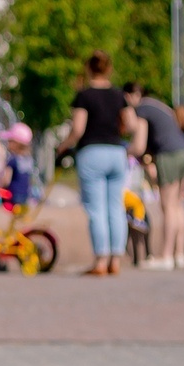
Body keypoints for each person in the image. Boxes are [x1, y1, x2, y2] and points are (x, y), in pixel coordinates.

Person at [59, 52, 137, 278]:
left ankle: (100, 261)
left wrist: (64, 146)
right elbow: (132, 124)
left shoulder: (84, 96)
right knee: (115, 206)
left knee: (96, 209)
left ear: (88, 68)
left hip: (92, 152)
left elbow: (78, 129)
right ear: (109, 69)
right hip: (116, 152)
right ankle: (116, 260)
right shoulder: (118, 95)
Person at [124, 82, 184, 269]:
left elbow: (139, 144)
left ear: (129, 97)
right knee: (177, 205)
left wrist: (124, 152)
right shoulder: (156, 104)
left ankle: (166, 256)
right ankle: (178, 254)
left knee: (168, 206)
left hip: (169, 155)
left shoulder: (141, 109)